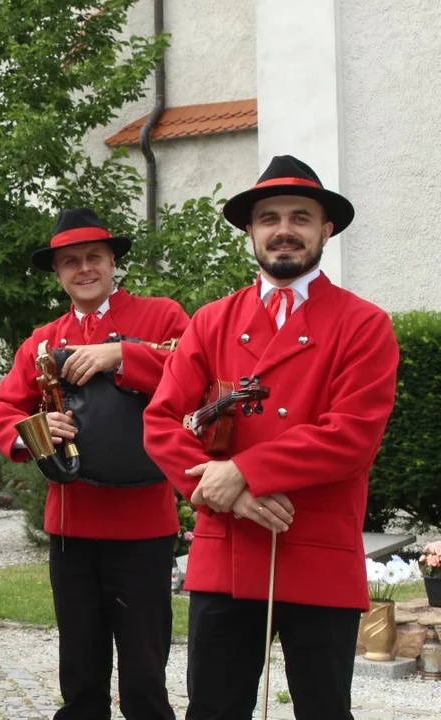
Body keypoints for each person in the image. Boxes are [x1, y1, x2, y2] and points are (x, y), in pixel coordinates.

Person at [142, 155, 400, 719]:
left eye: (300, 217)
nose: (284, 230)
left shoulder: (364, 324)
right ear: (251, 231)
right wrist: (231, 490)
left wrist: (245, 470)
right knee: (212, 709)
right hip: (225, 547)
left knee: (323, 710)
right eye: (269, 217)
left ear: (325, 228)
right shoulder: (210, 321)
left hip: (319, 549)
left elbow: (352, 435)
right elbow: (161, 423)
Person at [0, 208, 188, 720]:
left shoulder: (161, 316)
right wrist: (35, 432)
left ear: (113, 260)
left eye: (94, 257)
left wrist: (122, 356)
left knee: (144, 676)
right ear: (58, 273)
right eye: (70, 261)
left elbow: (196, 371)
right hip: (73, 527)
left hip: (143, 524)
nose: (84, 269)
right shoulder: (44, 340)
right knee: (80, 676)